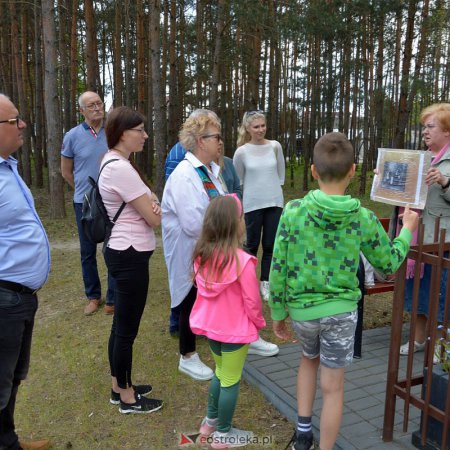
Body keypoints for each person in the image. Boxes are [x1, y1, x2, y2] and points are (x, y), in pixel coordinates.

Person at [268, 132, 419, 450]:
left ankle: (303, 434)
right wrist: (407, 230)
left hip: (302, 310)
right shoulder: (362, 217)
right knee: (333, 387)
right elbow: (388, 263)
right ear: (353, 171)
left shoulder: (293, 211)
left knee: (308, 359)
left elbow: (277, 266)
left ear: (312, 171)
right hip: (340, 311)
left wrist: (278, 313)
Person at [99, 106, 163, 414]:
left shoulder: (114, 163)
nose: (145, 135)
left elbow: (150, 206)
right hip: (130, 253)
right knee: (126, 329)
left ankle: (118, 386)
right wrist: (153, 203)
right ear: (124, 133)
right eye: (141, 130)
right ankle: (126, 397)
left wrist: (152, 202)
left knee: (121, 326)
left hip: (125, 251)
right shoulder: (120, 168)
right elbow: (153, 217)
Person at [190, 195, 265, 448]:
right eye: (242, 216)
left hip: (211, 329)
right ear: (235, 224)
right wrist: (258, 323)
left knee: (220, 372)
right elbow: (252, 301)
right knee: (231, 380)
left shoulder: (201, 256)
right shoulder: (243, 262)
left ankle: (210, 422)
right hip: (234, 332)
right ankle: (223, 434)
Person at [0, 94, 51, 450]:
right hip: (3, 299)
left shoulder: (8, 167)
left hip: (19, 299)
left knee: (12, 378)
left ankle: (7, 440)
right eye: (14, 120)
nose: (22, 125)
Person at [162, 110, 225, 381]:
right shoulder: (185, 175)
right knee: (189, 298)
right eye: (216, 137)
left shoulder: (210, 170)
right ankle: (187, 356)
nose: (221, 142)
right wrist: (225, 232)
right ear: (201, 140)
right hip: (191, 250)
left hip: (210, 248)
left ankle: (227, 338)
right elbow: (192, 223)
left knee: (207, 297)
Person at [399, 103, 450, 358]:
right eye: (424, 127)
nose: (425, 132)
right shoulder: (422, 158)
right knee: (418, 294)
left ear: (447, 132)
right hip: (419, 238)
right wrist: (387, 177)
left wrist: (445, 181)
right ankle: (418, 339)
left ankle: (440, 346)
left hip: (443, 240)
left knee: (441, 297)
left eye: (430, 127)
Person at [61, 91, 115, 316]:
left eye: (99, 103)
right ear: (82, 110)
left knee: (113, 248)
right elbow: (66, 172)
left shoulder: (112, 132)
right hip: (84, 203)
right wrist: (85, 193)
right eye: (91, 105)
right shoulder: (72, 136)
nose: (97, 108)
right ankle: (93, 296)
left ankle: (113, 298)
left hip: (112, 200)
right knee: (87, 251)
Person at [233, 110, 285, 304]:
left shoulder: (275, 146)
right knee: (251, 245)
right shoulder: (242, 151)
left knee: (271, 245)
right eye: (256, 127)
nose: (261, 130)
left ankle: (266, 282)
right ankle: (247, 283)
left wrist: (273, 192)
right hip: (253, 203)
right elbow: (239, 180)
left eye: (263, 125)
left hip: (274, 202)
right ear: (248, 128)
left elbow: (280, 174)